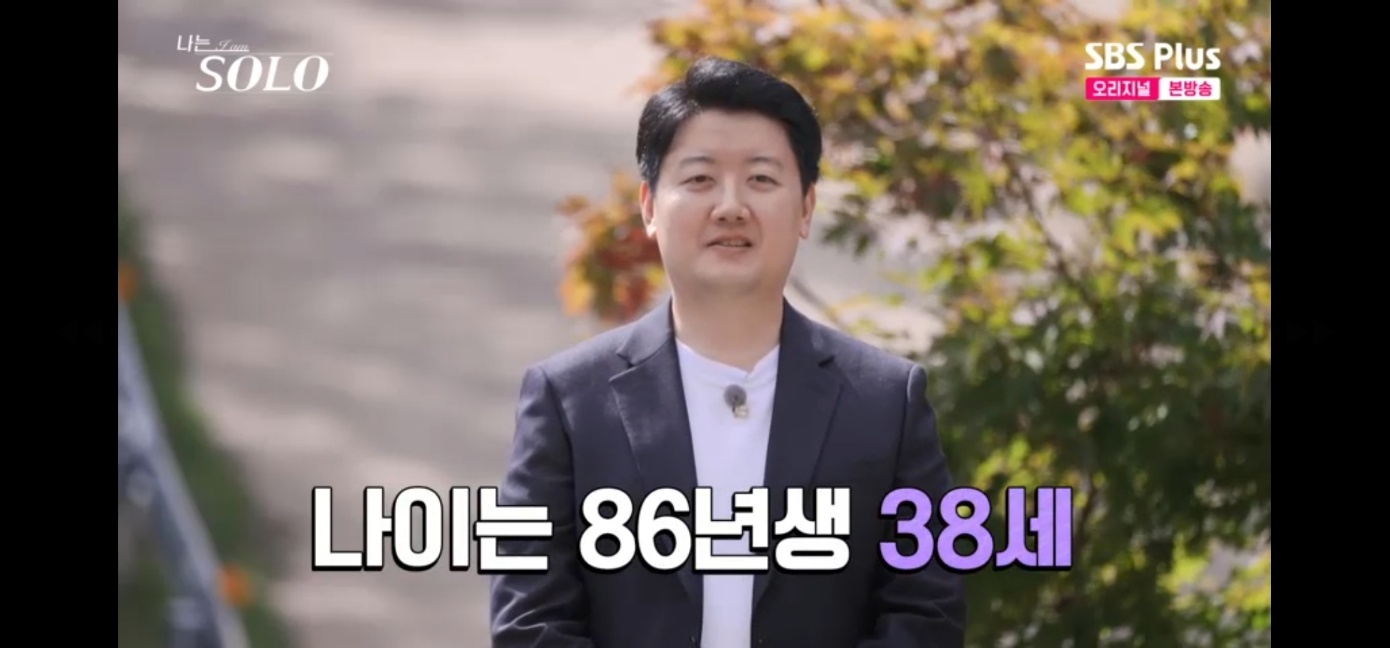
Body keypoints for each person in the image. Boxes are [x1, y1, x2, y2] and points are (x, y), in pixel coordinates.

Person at [490, 56, 965, 648]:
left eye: (762, 179)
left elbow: (926, 611)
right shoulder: (568, 401)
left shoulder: (885, 400)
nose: (731, 206)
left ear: (806, 207)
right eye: (699, 180)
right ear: (649, 206)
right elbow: (530, 621)